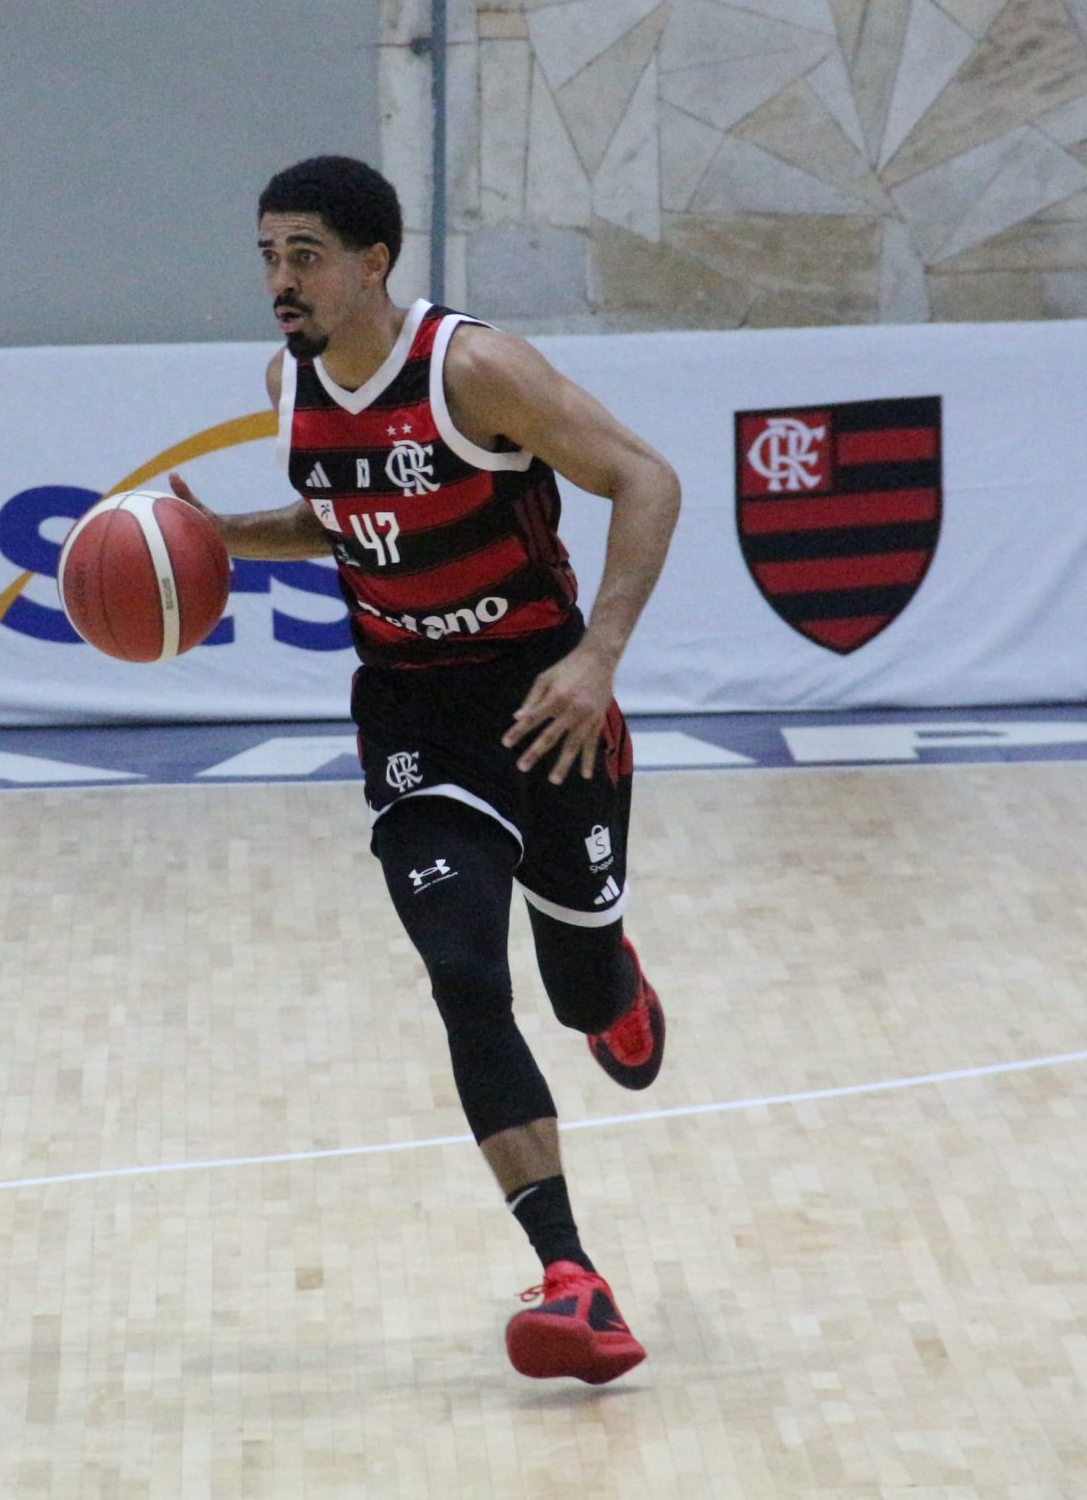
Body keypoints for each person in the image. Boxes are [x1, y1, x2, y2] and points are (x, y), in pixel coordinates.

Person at [172, 155, 682, 1384]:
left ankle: (613, 975)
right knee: (463, 973)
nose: (280, 280)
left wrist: (598, 657)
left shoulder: (473, 369)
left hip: (544, 705)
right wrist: (225, 536)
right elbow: (343, 522)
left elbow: (645, 477)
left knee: (578, 994)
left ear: (372, 263)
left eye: (304, 255)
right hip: (411, 714)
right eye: (267, 255)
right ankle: (571, 1273)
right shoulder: (289, 384)